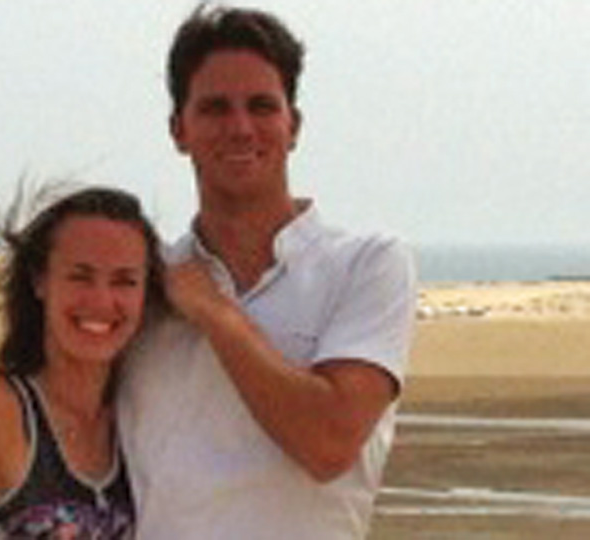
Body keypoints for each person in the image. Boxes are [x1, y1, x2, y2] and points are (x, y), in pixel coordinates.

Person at [118, 5, 417, 539]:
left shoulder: (366, 265)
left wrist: (216, 314)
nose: (240, 127)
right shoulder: (142, 285)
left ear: (293, 126)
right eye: (215, 108)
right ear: (178, 130)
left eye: (261, 106)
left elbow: (329, 443)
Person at [0, 185, 166, 539]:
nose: (101, 301)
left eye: (124, 281)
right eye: (80, 276)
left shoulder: (140, 422)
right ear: (39, 280)